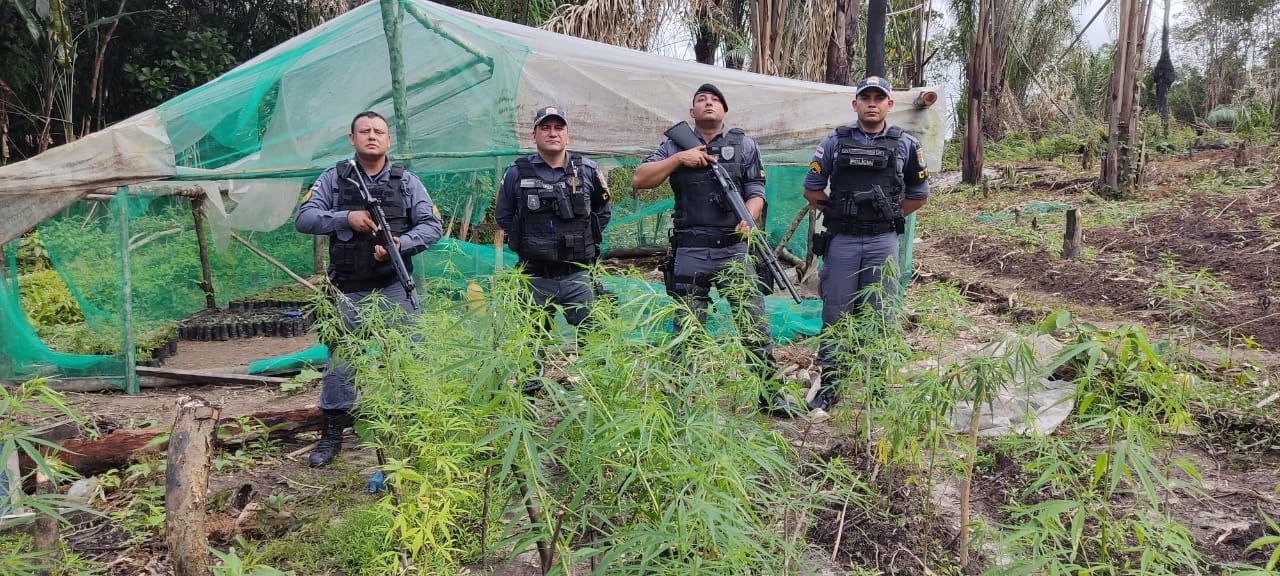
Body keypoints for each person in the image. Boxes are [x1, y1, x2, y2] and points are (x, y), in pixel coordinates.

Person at [632, 84, 799, 417]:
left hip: (733, 251)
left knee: (754, 327)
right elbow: (640, 179)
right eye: (701, 100)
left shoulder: (744, 146)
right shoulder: (672, 145)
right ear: (692, 112)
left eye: (715, 100)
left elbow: (756, 191)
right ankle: (676, 403)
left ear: (724, 110)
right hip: (691, 250)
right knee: (687, 330)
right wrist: (680, 158)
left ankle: (770, 396)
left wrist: (748, 217)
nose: (708, 103)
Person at [295, 111, 443, 467]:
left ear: (388, 140)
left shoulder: (406, 181)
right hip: (350, 289)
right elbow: (304, 218)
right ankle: (332, 434)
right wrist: (345, 218)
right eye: (365, 131)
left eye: (379, 131)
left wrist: (402, 243)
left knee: (412, 359)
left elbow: (432, 225)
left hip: (394, 286)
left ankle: (414, 429)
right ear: (352, 138)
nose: (372, 136)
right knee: (341, 365)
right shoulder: (335, 177)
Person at [802, 76, 929, 415]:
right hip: (842, 240)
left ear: (889, 104)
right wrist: (842, 213)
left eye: (879, 98)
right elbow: (812, 189)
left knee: (881, 314)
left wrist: (887, 214)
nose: (872, 103)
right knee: (836, 313)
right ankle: (830, 386)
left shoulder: (905, 144)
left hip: (882, 241)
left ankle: (877, 387)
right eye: (865, 97)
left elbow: (919, 195)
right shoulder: (834, 142)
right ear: (855, 103)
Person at [495, 106, 612, 393]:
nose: (552, 133)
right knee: (530, 345)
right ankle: (528, 404)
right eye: (545, 128)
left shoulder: (587, 169)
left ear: (567, 135)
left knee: (594, 340)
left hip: (578, 275)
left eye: (558, 127)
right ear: (533, 135)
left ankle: (593, 399)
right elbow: (503, 215)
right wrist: (533, 242)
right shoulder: (516, 172)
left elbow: (602, 211)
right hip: (534, 276)